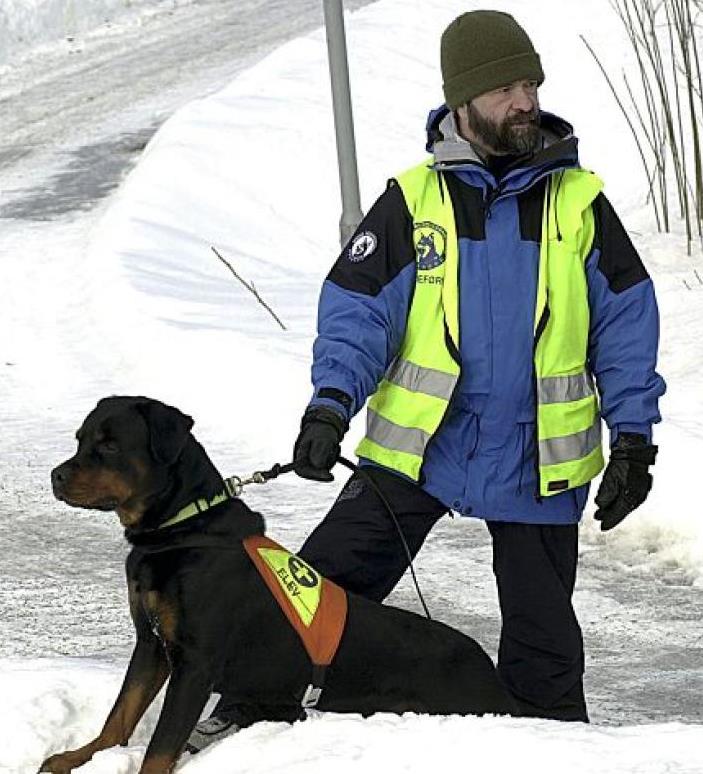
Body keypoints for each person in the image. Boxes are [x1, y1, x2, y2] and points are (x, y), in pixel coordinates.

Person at [189, 10, 665, 747]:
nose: (525, 101)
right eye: (506, 86)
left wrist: (633, 438)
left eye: (530, 83)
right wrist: (329, 407)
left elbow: (626, 323)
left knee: (544, 647)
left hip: (536, 457)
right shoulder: (413, 201)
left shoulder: (578, 203)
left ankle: (556, 754)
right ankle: (251, 714)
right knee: (311, 591)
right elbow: (357, 314)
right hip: (421, 450)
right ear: (464, 98)